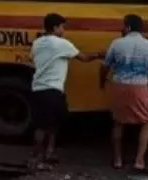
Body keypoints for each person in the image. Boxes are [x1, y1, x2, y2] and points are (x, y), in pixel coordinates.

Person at [29, 13, 102, 171]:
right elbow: (84, 58)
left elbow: (32, 59)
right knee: (44, 126)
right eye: (62, 27)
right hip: (51, 90)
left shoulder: (37, 43)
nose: (64, 30)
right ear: (55, 28)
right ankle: (36, 159)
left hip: (39, 89)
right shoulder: (61, 44)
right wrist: (100, 54)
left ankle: (49, 153)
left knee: (51, 123)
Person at [100, 14, 148, 172]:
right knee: (145, 122)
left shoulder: (117, 43)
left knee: (118, 122)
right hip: (140, 86)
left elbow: (105, 65)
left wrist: (102, 82)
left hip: (119, 85)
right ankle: (139, 161)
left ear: (128, 27)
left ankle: (118, 159)